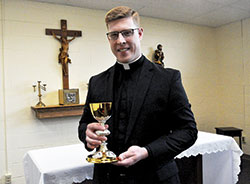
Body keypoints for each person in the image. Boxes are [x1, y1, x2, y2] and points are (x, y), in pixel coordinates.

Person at [78, 6, 197, 184]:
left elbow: (188, 131)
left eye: (127, 32)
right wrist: (88, 135)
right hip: (107, 178)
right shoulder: (97, 82)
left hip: (155, 177)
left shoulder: (168, 78)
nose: (120, 41)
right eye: (113, 35)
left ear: (139, 33)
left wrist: (147, 151)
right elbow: (84, 125)